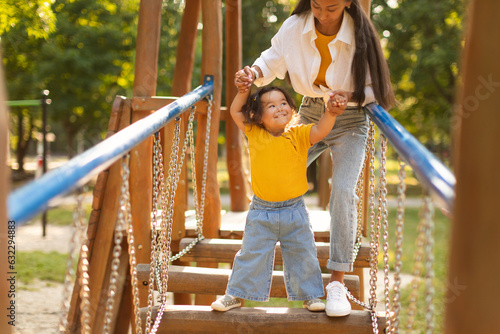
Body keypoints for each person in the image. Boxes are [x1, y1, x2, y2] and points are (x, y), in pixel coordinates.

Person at [234, 0, 396, 317]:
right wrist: (252, 73)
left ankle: (336, 281)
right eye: (317, 5)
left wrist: (348, 95)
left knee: (345, 192)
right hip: (309, 113)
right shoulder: (297, 27)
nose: (322, 15)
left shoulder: (361, 34)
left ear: (348, 3)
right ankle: (264, 232)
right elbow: (272, 59)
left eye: (331, 8)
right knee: (276, 167)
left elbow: (376, 89)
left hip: (350, 120)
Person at [211, 72, 348, 312]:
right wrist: (244, 91)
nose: (279, 108)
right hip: (261, 212)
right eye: (271, 105)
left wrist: (331, 113)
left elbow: (320, 131)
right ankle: (235, 294)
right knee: (251, 255)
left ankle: (311, 296)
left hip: (294, 210)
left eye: (283, 103)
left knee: (303, 253)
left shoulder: (298, 134)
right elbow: (235, 111)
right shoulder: (254, 133)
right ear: (257, 116)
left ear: (292, 109)